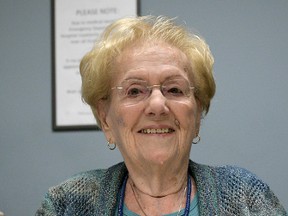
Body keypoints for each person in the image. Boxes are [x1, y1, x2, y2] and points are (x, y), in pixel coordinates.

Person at [36, 16, 287, 216]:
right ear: (105, 118)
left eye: (175, 89)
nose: (157, 105)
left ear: (198, 114)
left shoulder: (246, 196)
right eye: (134, 91)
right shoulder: (67, 203)